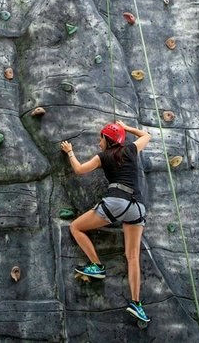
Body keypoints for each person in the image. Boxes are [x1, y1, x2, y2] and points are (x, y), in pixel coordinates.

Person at [60, 120, 152, 323]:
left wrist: (70, 152)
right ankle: (136, 303)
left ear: (107, 140)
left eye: (100, 137)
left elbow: (80, 169)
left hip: (116, 202)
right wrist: (126, 128)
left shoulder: (103, 156)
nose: (98, 141)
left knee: (76, 227)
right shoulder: (130, 149)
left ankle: (97, 265)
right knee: (133, 256)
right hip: (137, 207)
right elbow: (147, 136)